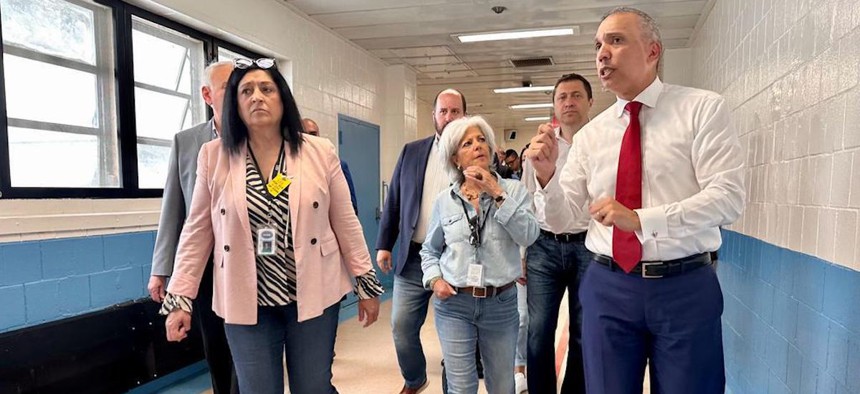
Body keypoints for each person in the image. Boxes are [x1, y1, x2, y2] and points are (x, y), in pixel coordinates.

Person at [527, 7, 744, 394]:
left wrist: (643, 220)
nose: (602, 53)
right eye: (598, 45)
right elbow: (563, 218)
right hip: (608, 285)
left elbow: (728, 198)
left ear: (653, 50)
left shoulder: (701, 109)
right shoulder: (592, 137)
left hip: (685, 286)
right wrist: (546, 177)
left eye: (616, 40)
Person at [160, 58, 384, 394]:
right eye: (246, 91)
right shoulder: (213, 156)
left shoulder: (319, 151)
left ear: (283, 98)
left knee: (313, 387)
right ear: (234, 103)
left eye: (267, 89)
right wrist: (180, 298)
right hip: (245, 299)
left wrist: (365, 283)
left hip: (313, 296)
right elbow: (196, 231)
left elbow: (345, 221)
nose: (257, 97)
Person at [421, 116, 539, 394]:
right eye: (468, 143)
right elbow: (429, 250)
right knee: (461, 388)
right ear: (455, 159)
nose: (478, 146)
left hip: (501, 303)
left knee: (501, 386)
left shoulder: (514, 191)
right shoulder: (444, 201)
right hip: (454, 306)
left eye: (482, 140)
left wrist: (496, 193)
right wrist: (435, 279)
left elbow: (529, 235)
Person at [148, 60, 239, 394]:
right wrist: (161, 270)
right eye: (230, 87)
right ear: (207, 94)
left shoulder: (259, 136)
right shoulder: (187, 142)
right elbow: (174, 209)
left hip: (248, 264)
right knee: (216, 346)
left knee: (248, 346)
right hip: (205, 266)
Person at [376, 88, 466, 394]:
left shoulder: (474, 154)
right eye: (444, 111)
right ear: (434, 116)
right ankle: (415, 379)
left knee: (455, 332)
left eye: (455, 111)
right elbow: (395, 200)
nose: (449, 117)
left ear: (464, 115)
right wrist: (384, 244)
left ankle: (451, 385)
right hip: (413, 257)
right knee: (401, 326)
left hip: (457, 259)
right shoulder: (412, 152)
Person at [520, 73, 594, 394]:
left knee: (583, 330)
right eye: (562, 97)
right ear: (553, 105)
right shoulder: (538, 149)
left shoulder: (601, 143)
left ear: (590, 102)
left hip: (588, 247)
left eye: (576, 95)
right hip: (543, 247)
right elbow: (524, 203)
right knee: (538, 331)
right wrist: (521, 253)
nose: (569, 102)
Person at [301, 118, 358, 214]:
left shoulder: (337, 165)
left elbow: (351, 208)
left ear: (319, 136)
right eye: (303, 134)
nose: (309, 139)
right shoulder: (289, 167)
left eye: (313, 134)